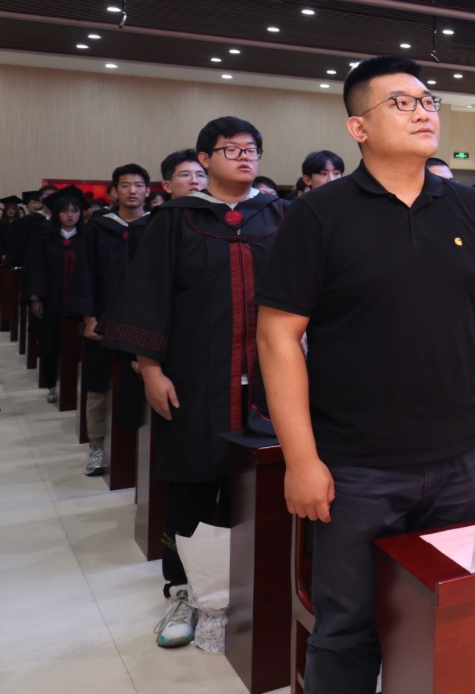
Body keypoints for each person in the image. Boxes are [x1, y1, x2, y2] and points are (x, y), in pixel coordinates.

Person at [256, 56, 475, 692]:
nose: (424, 111)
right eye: (401, 102)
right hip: (356, 467)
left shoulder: (471, 207)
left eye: (428, 100)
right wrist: (301, 460)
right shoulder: (319, 214)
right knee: (347, 628)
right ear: (359, 127)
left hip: (458, 458)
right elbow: (278, 335)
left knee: (445, 615)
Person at [102, 117, 284, 646]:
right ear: (204, 160)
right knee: (193, 483)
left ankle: (257, 590)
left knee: (263, 484)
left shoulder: (280, 215)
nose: (245, 157)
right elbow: (148, 294)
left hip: (272, 381)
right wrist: (151, 369)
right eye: (232, 149)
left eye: (252, 149)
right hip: (196, 376)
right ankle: (184, 590)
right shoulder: (174, 220)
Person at [74, 164, 151, 476]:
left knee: (143, 384)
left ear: (148, 190)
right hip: (103, 317)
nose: (132, 190)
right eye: (125, 185)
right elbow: (84, 274)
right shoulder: (97, 228)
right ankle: (97, 447)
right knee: (97, 385)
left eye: (138, 185)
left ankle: (137, 452)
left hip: (145, 321)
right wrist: (89, 319)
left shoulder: (156, 226)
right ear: (114, 191)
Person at [26, 186, 88, 403]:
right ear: (56, 213)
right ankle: (52, 384)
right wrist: (35, 298)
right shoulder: (45, 237)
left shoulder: (88, 238)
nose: (70, 215)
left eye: (74, 210)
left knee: (81, 345)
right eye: (64, 211)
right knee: (50, 342)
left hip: (81, 301)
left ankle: (77, 386)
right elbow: (36, 268)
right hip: (51, 299)